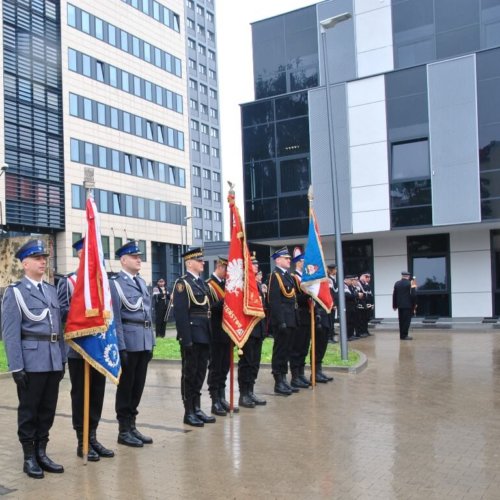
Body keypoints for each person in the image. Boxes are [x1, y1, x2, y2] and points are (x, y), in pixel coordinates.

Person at [2, 239, 66, 479]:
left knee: (48, 409)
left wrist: (62, 359)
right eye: (38, 258)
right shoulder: (15, 292)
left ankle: (42, 452)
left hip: (51, 359)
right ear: (25, 263)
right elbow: (10, 333)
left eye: (44, 258)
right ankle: (29, 456)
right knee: (29, 410)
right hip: (31, 361)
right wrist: (16, 366)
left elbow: (57, 329)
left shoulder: (51, 290)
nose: (42, 262)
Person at [57, 237, 114, 462]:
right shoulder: (69, 282)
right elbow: (61, 312)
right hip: (78, 348)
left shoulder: (102, 282)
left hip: (98, 346)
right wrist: (82, 314)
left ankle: (93, 436)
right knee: (81, 394)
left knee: (97, 393)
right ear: (80, 254)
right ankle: (82, 440)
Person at [110, 240, 155, 447]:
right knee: (126, 387)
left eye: (140, 256)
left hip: (144, 341)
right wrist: (121, 347)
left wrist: (152, 342)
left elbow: (149, 314)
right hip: (128, 341)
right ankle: (123, 430)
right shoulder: (116, 283)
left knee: (138, 387)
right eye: (135, 257)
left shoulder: (141, 282)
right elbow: (116, 318)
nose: (139, 259)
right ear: (123, 260)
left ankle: (132, 425)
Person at [173, 247, 216, 427]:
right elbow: (181, 314)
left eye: (202, 260)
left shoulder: (202, 284)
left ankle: (197, 408)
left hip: (205, 333)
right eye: (199, 260)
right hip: (192, 334)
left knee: (200, 373)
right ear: (190, 263)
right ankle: (188, 411)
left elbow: (210, 307)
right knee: (189, 374)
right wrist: (186, 339)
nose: (203, 263)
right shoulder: (182, 284)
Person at [206, 257, 236, 416]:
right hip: (216, 332)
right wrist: (227, 300)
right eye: (227, 270)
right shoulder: (209, 285)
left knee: (225, 366)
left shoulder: (226, 285)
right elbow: (210, 308)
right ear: (220, 267)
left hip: (227, 332)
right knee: (216, 367)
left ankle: (222, 397)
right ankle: (214, 400)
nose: (228, 274)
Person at [238, 252, 267, 408]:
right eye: (254, 264)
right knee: (247, 363)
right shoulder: (244, 285)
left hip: (258, 329)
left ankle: (251, 391)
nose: (257, 266)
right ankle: (243, 395)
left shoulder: (256, 285)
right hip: (248, 330)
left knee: (255, 363)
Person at [267, 246, 297, 396]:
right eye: (286, 258)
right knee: (280, 351)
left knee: (287, 351)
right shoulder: (275, 276)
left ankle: (284, 378)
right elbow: (274, 301)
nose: (289, 260)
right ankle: (278, 380)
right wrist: (280, 321)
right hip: (282, 321)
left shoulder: (288, 276)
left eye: (289, 258)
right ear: (278, 260)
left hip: (291, 318)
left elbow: (292, 299)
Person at [289, 247, 311, 389]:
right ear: (298, 262)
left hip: (307, 315)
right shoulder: (293, 278)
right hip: (299, 315)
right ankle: (295, 375)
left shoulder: (305, 278)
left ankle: (302, 373)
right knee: (296, 347)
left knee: (304, 346)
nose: (305, 263)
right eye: (303, 261)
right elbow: (295, 297)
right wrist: (308, 294)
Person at [392, 271, 417, 340]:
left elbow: (394, 295)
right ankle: (405, 335)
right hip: (408, 305)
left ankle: (401, 335)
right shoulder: (412, 282)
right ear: (408, 276)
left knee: (401, 321)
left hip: (400, 305)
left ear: (402, 276)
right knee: (406, 321)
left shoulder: (397, 283)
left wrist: (394, 305)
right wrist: (414, 305)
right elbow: (414, 295)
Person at [357, 272, 374, 337]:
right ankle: (362, 331)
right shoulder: (359, 284)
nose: (368, 279)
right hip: (361, 305)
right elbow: (361, 296)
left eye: (369, 277)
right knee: (361, 319)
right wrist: (364, 305)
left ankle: (365, 330)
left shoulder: (366, 284)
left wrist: (371, 304)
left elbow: (369, 295)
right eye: (367, 277)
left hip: (367, 304)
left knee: (366, 319)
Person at [327, 264, 338, 343]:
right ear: (332, 270)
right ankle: (329, 337)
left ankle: (331, 335)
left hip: (333, 303)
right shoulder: (328, 279)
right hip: (330, 304)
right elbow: (330, 293)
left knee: (332, 321)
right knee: (329, 321)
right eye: (335, 269)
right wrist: (333, 304)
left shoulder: (333, 279)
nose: (336, 271)